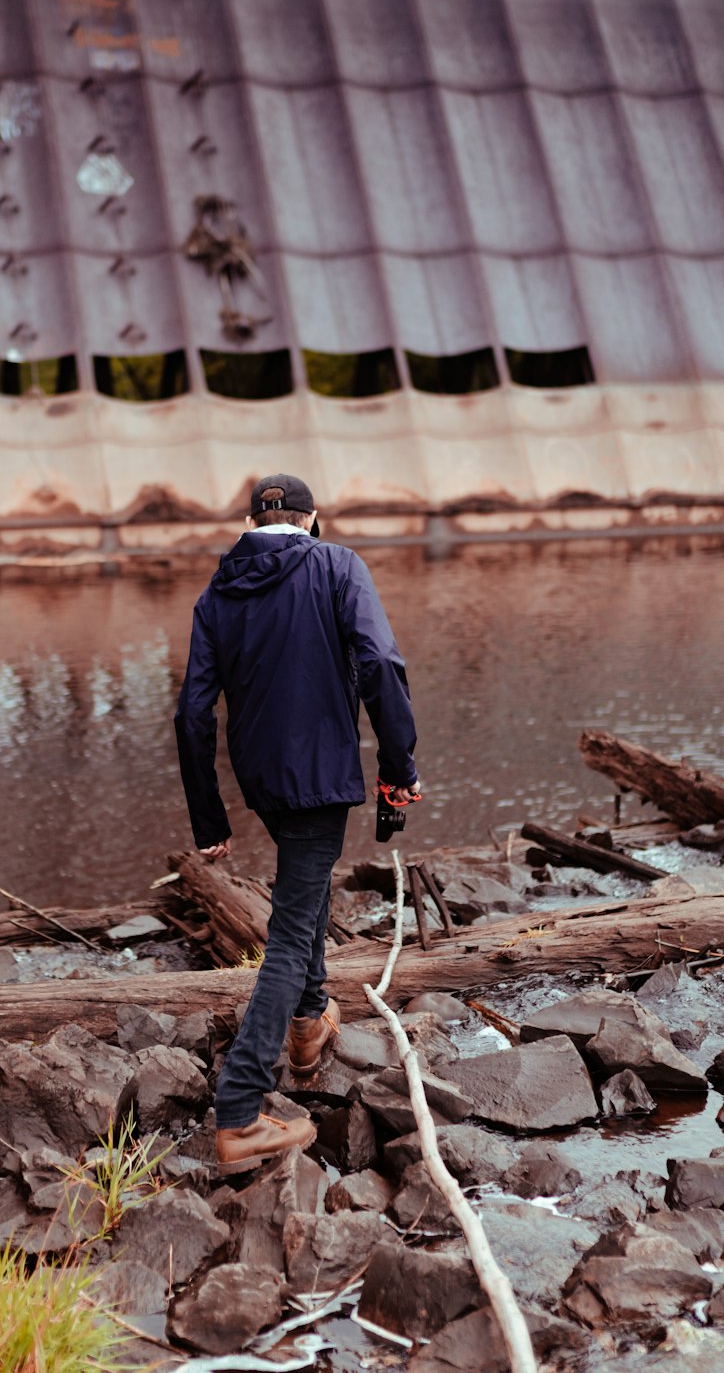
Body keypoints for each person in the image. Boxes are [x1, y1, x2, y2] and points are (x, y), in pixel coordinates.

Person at [174, 473, 420, 1175]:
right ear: (313, 521)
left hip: (263, 781)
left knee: (304, 892)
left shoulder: (218, 591)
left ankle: (311, 1023)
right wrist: (399, 766)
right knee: (287, 934)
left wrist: (208, 813)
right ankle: (242, 1111)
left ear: (252, 522)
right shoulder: (338, 565)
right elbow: (380, 662)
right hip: (321, 779)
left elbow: (193, 712)